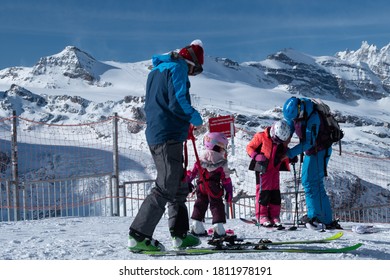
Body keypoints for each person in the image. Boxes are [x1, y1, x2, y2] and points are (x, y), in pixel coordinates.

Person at [128, 40, 205, 252]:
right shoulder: (178, 68)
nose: (191, 73)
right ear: (191, 63)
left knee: (178, 183)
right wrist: (194, 118)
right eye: (194, 70)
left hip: (161, 132)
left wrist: (183, 124)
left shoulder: (156, 71)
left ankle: (179, 234)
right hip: (167, 135)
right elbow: (177, 101)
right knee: (165, 185)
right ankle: (138, 235)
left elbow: (161, 103)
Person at [282, 96, 341, 229]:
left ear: (299, 110)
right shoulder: (297, 114)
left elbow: (309, 142)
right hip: (313, 152)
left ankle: (317, 217)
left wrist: (289, 154)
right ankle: (322, 218)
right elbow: (291, 127)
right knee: (311, 183)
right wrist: (283, 144)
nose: (294, 120)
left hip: (319, 152)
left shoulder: (313, 117)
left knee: (311, 183)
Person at [185, 132, 233, 238]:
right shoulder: (221, 161)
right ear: (215, 145)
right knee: (216, 205)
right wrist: (229, 191)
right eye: (221, 147)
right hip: (214, 186)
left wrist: (187, 181)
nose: (223, 150)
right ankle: (218, 228)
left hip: (201, 185)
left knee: (200, 203)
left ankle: (197, 225)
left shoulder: (200, 158)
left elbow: (192, 173)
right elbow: (226, 179)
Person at [246, 120, 293, 227]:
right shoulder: (261, 136)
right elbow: (249, 147)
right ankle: (262, 215)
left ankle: (274, 216)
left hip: (274, 170)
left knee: (275, 193)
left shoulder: (281, 141)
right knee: (263, 193)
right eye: (276, 140)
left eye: (280, 141)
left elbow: (283, 153)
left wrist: (291, 158)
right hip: (263, 169)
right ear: (273, 132)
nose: (277, 142)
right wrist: (255, 155)